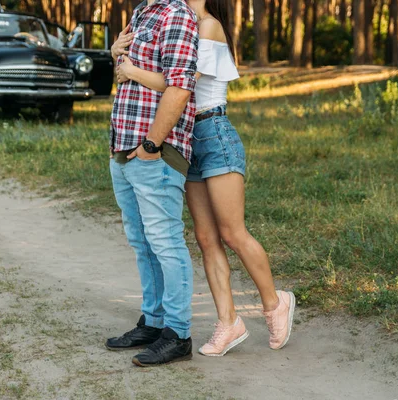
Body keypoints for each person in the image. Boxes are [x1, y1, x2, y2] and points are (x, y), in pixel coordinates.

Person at [112, 0, 296, 357]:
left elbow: (179, 85)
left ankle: (275, 303)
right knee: (206, 237)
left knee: (232, 232)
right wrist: (119, 53)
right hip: (187, 138)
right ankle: (229, 323)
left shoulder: (206, 25)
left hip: (213, 133)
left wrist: (131, 70)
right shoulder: (171, 20)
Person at [105, 0, 199, 367]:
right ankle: (154, 321)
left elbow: (180, 86)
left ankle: (178, 334)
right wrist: (116, 55)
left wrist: (151, 145)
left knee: (165, 241)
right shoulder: (143, 12)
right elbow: (125, 75)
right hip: (123, 147)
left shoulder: (177, 13)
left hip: (154, 151)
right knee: (142, 242)